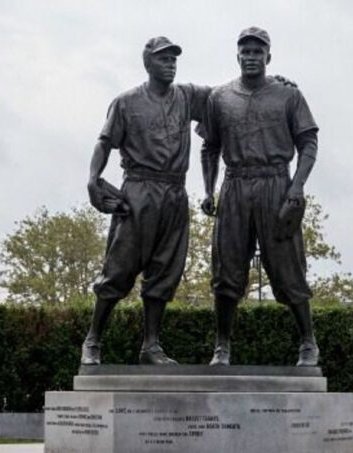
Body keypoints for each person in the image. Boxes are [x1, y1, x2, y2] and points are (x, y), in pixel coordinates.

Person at [82, 36, 296, 366]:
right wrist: (93, 178)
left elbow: (232, 97)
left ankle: (151, 346)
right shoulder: (126, 102)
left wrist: (275, 83)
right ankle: (93, 340)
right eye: (163, 59)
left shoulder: (187, 96)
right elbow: (104, 142)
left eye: (173, 59)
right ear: (148, 63)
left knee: (165, 271)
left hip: (174, 193)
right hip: (139, 189)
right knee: (119, 269)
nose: (170, 64)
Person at [200, 27, 320, 367]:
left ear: (269, 56)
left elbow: (308, 142)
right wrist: (208, 189)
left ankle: (308, 343)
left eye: (258, 51)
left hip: (275, 184)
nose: (251, 56)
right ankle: (222, 346)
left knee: (288, 268)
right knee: (226, 270)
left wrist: (296, 188)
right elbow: (209, 147)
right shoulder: (219, 97)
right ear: (237, 55)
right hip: (235, 185)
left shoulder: (288, 95)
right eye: (245, 51)